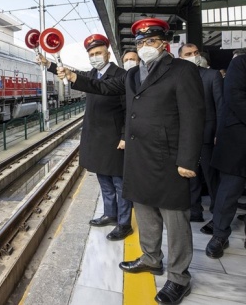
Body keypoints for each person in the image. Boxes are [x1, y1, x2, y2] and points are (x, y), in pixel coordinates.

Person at [57, 18, 205, 305]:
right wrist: (73, 76)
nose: (145, 47)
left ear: (164, 42)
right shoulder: (132, 74)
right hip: (138, 155)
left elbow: (193, 117)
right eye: (140, 42)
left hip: (169, 157)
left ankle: (178, 278)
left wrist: (188, 159)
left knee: (175, 219)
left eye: (150, 41)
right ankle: (151, 258)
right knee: (145, 211)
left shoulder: (182, 70)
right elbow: (103, 87)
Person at [40, 34, 132, 240]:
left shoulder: (120, 75)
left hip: (115, 137)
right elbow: (74, 75)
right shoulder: (92, 73)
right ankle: (110, 213)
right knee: (103, 179)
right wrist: (49, 64)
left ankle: (124, 223)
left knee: (119, 182)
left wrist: (125, 135)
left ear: (108, 54)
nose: (95, 57)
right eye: (91, 54)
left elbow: (128, 109)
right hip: (95, 137)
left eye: (98, 53)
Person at [178, 43, 223, 225]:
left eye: (196, 52)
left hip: (207, 135)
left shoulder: (212, 76)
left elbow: (221, 107)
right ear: (181, 58)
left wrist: (219, 133)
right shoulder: (178, 78)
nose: (194, 56)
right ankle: (195, 210)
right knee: (191, 175)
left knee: (211, 176)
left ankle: (217, 211)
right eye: (188, 54)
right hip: (185, 137)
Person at [207, 54, 246, 255]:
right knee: (229, 191)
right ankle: (219, 235)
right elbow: (234, 96)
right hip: (240, 141)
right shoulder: (241, 63)